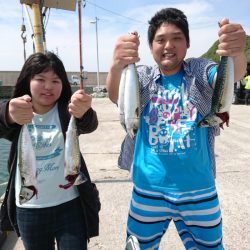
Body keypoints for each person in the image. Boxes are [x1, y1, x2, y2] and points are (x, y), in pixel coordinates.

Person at [106, 8, 246, 250]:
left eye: (177, 38)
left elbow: (224, 76)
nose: (168, 45)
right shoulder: (142, 77)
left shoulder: (199, 71)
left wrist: (235, 54)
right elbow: (115, 94)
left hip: (199, 191)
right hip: (147, 189)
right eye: (160, 39)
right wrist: (116, 66)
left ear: (188, 44)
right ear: (151, 47)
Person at [0, 52, 100, 250]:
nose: (48, 86)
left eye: (55, 80)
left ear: (63, 84)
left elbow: (90, 124)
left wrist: (84, 112)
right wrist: (7, 113)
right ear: (27, 80)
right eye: (40, 79)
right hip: (29, 211)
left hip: (70, 206)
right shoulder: (19, 113)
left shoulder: (66, 112)